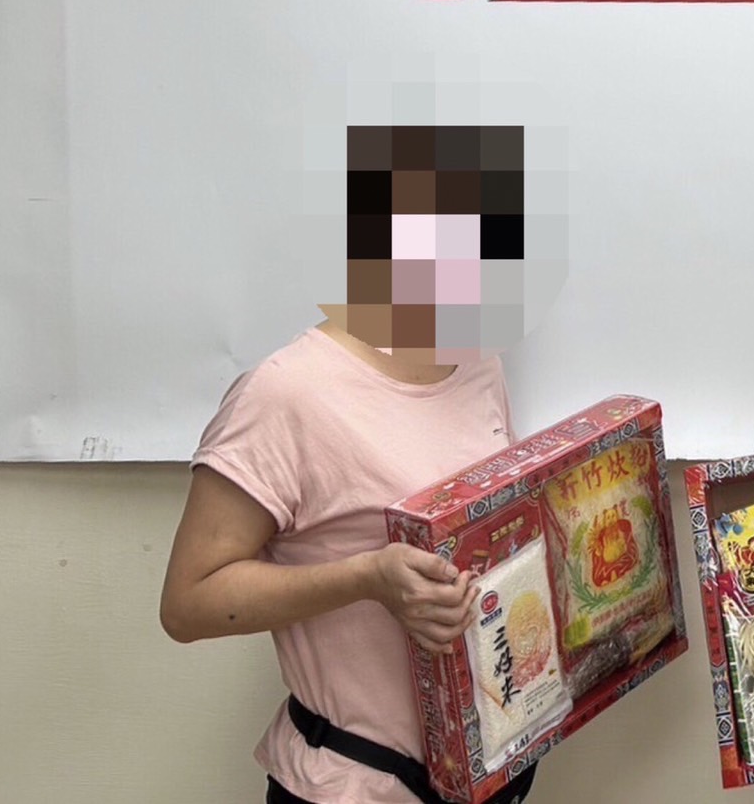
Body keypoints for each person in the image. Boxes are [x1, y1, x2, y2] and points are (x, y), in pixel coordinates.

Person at [161, 123, 538, 804]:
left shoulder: (480, 362)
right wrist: (367, 578)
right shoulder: (287, 393)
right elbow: (187, 605)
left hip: (490, 771)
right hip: (354, 787)